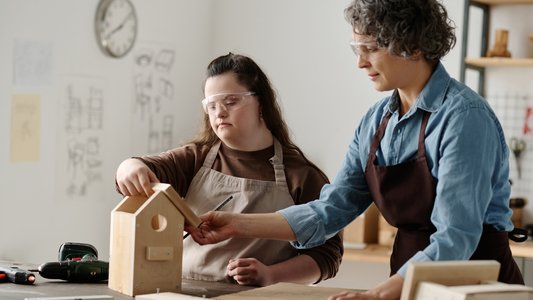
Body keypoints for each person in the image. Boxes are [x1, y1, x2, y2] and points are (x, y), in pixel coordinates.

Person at [186, 1, 527, 299]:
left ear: (414, 44)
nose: (361, 63)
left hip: (477, 284)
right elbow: (331, 209)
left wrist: (380, 293)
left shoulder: (464, 118)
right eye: (356, 49)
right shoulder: (376, 122)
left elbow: (456, 237)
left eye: (371, 48)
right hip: (409, 282)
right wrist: (235, 224)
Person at [115, 53, 343, 286]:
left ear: (261, 103)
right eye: (211, 106)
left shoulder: (302, 175)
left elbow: (327, 255)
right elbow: (143, 166)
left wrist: (271, 275)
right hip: (181, 291)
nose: (219, 113)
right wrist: (129, 167)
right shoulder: (195, 158)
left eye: (231, 102)